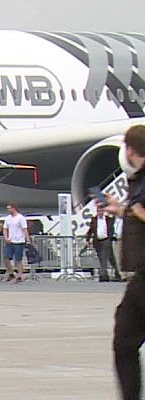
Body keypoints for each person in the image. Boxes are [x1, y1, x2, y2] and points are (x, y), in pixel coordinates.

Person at [107, 125, 145, 398]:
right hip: (140, 276)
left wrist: (136, 211)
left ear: (129, 150)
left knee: (125, 341)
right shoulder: (139, 181)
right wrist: (122, 210)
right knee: (124, 341)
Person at [88, 203, 123, 282]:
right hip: (97, 241)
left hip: (106, 240)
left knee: (104, 258)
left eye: (101, 211)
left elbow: (112, 228)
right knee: (109, 258)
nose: (99, 212)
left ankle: (103, 275)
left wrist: (111, 237)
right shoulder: (94, 219)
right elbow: (91, 230)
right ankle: (117, 272)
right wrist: (87, 239)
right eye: (98, 211)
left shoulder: (108, 219)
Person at [2, 202, 31, 282]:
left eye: (9, 208)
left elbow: (24, 229)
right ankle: (11, 272)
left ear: (13, 208)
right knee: (6, 257)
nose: (8, 210)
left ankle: (19, 275)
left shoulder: (20, 218)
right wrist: (6, 237)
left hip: (19, 241)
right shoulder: (7, 218)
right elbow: (5, 228)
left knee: (18, 259)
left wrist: (27, 239)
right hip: (10, 241)